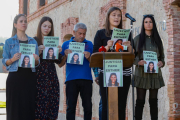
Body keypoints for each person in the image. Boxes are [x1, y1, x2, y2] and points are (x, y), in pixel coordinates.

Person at [93, 7, 133, 120]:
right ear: (108, 17)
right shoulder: (100, 34)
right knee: (106, 104)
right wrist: (107, 47)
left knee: (121, 105)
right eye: (114, 15)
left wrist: (129, 46)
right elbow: (95, 54)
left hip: (124, 73)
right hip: (106, 72)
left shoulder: (126, 34)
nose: (117, 17)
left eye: (119, 15)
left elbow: (131, 55)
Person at [2, 14, 39, 120]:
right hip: (15, 78)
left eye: (25, 21)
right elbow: (5, 62)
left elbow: (37, 63)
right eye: (21, 21)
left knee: (28, 107)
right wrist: (12, 59)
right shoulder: (9, 42)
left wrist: (36, 59)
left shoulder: (33, 41)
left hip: (29, 78)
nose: (24, 23)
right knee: (13, 108)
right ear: (15, 24)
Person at [133, 14, 165, 120]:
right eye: (146, 22)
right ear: (143, 24)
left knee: (153, 101)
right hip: (141, 74)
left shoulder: (158, 40)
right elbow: (131, 57)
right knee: (140, 101)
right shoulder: (137, 39)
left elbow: (162, 58)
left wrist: (161, 63)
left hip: (154, 74)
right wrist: (138, 62)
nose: (148, 24)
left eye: (150, 22)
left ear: (153, 24)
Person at [59, 23, 93, 120]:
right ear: (74, 32)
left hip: (86, 79)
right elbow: (60, 64)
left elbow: (94, 64)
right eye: (79, 33)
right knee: (70, 108)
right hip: (71, 80)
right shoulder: (66, 44)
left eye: (84, 34)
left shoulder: (89, 44)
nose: (82, 36)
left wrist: (89, 57)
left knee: (88, 108)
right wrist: (65, 55)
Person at [34, 16, 62, 120]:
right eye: (44, 26)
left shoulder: (52, 41)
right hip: (38, 80)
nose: (47, 28)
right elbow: (28, 62)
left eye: (49, 27)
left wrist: (60, 52)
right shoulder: (34, 41)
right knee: (38, 110)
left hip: (52, 80)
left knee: (52, 108)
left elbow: (60, 63)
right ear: (40, 26)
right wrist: (38, 51)